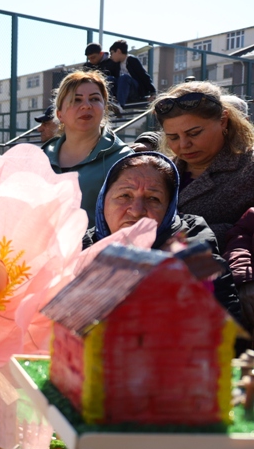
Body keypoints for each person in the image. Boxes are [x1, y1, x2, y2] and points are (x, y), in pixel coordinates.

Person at [83, 151, 242, 327]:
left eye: (153, 199)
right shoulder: (74, 255)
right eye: (125, 195)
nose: (136, 211)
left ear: (169, 210)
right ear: (103, 199)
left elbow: (226, 344)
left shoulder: (200, 269)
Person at [153, 80, 254, 240]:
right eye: (173, 137)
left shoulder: (248, 169)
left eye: (194, 133)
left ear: (223, 120)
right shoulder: (159, 170)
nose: (184, 144)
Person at [43, 69, 133, 224]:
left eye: (94, 99)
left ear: (104, 108)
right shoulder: (42, 157)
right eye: (76, 100)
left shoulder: (124, 159)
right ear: (60, 114)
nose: (86, 106)